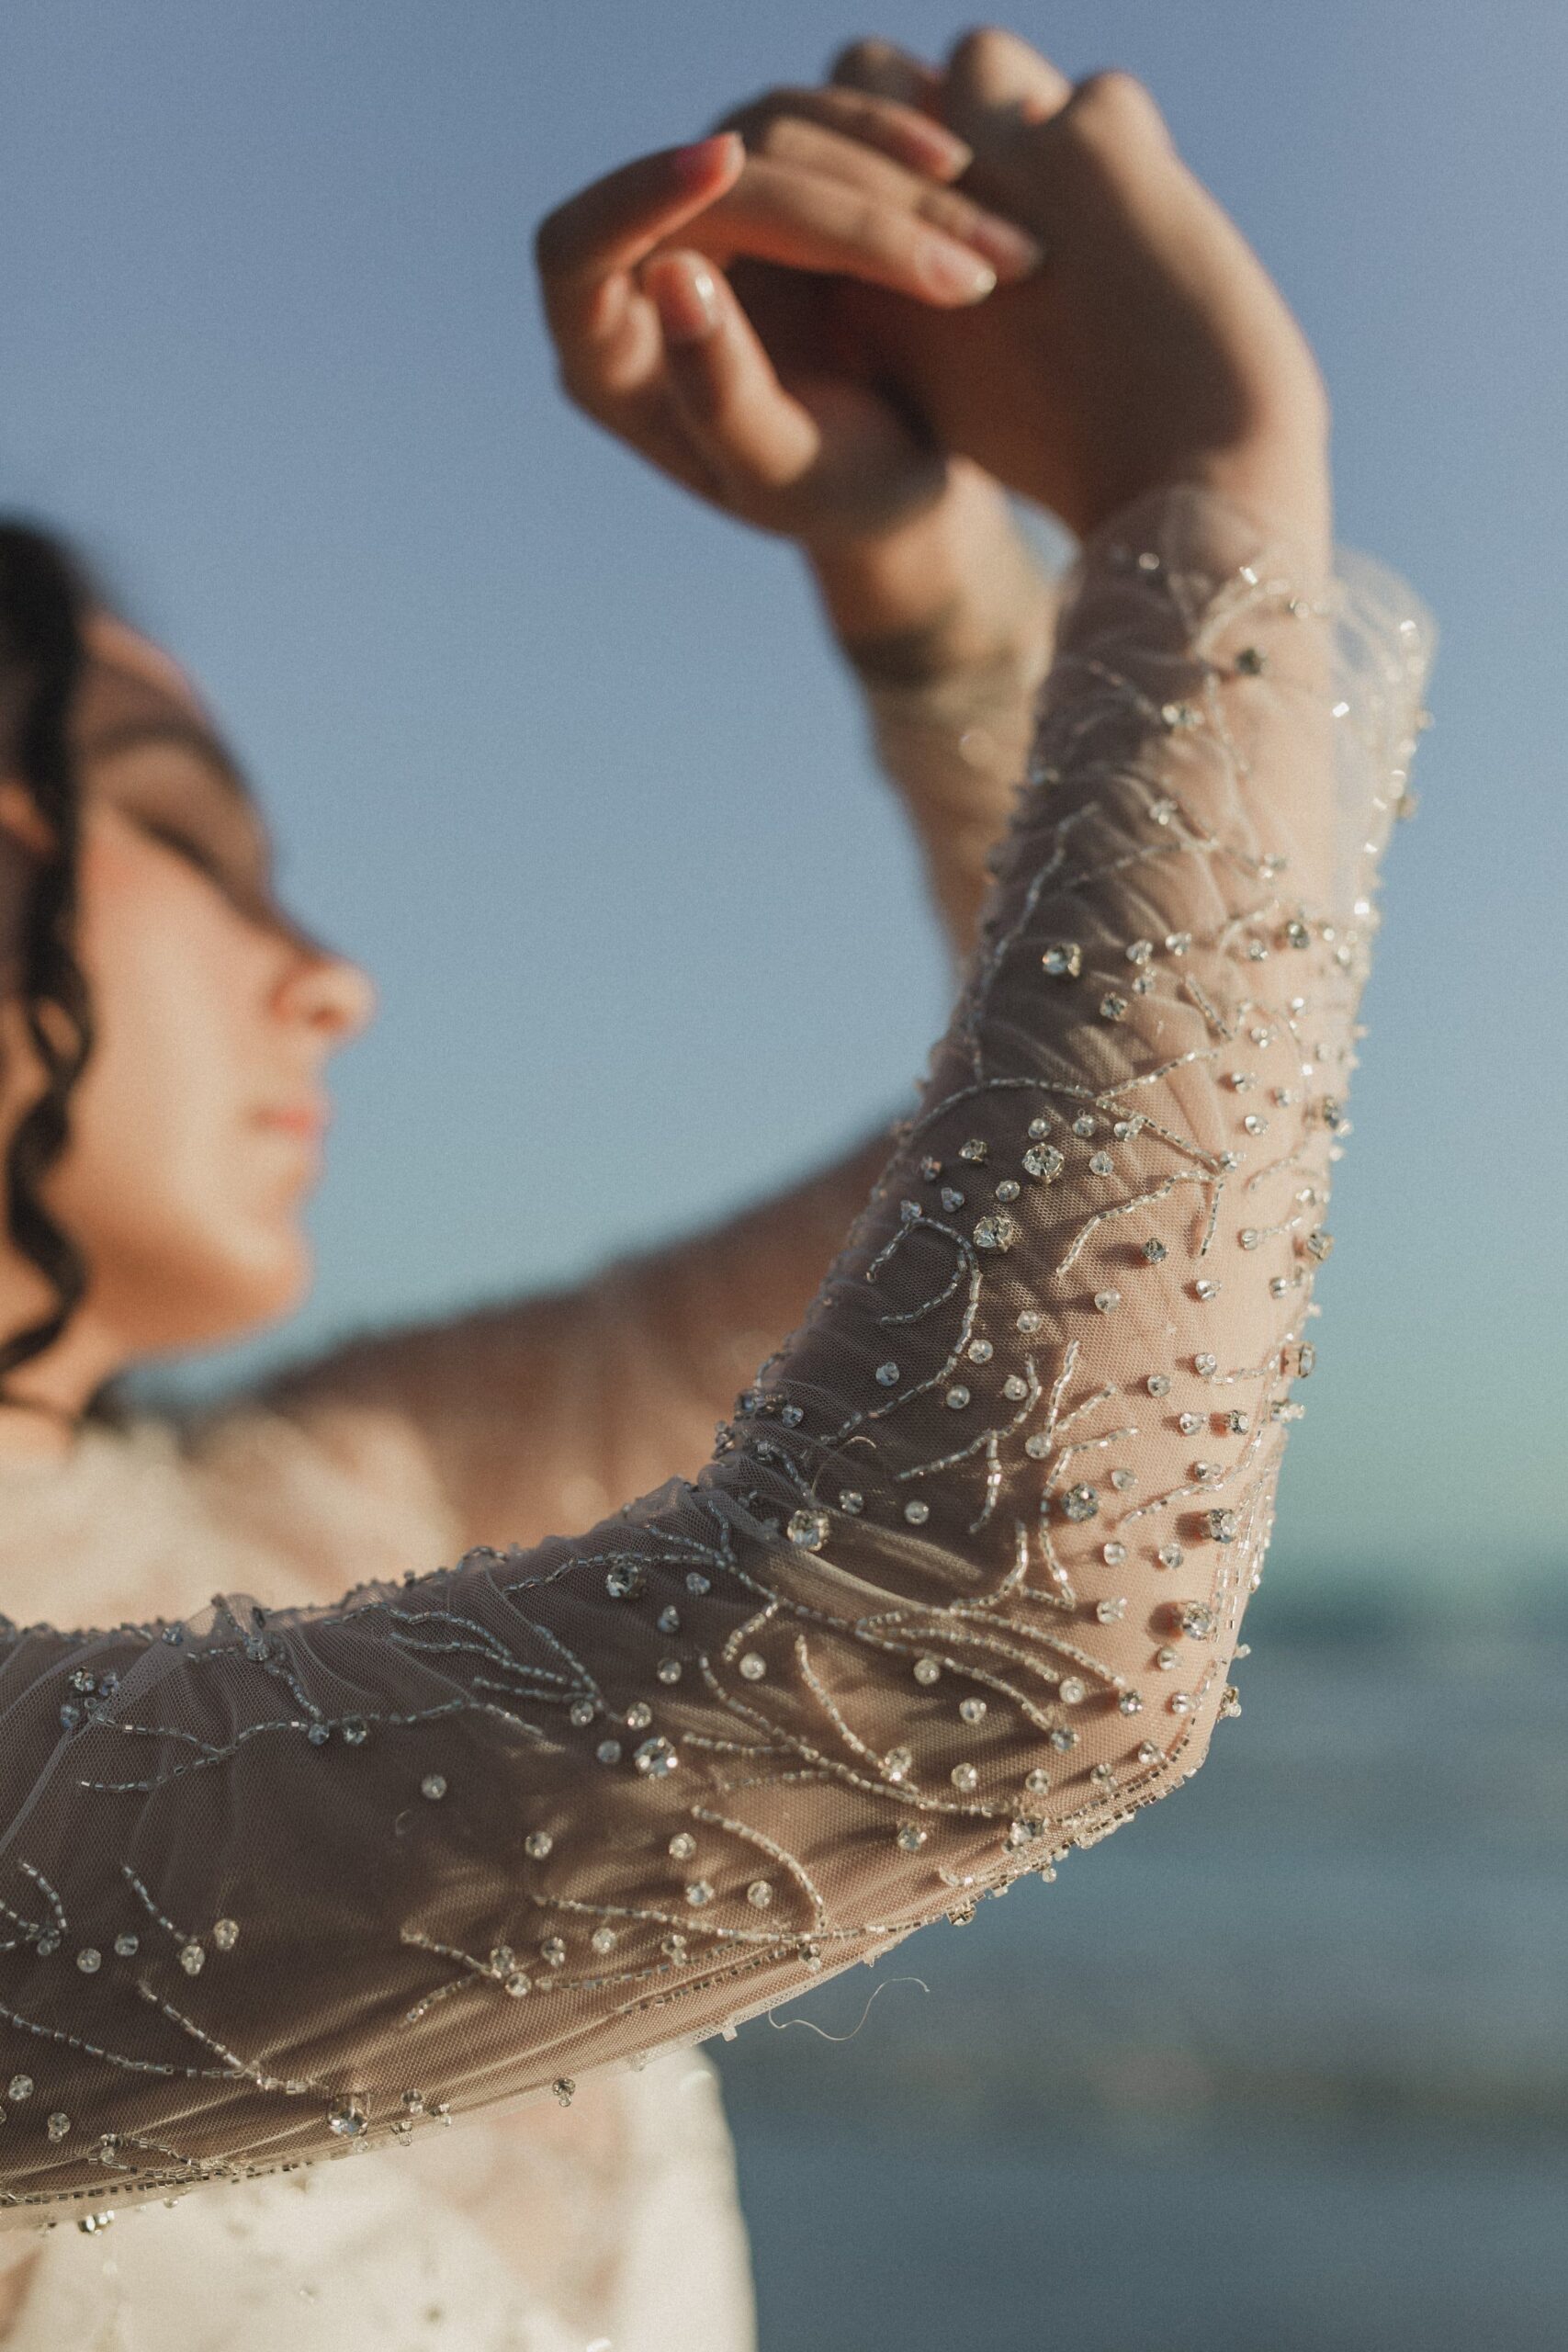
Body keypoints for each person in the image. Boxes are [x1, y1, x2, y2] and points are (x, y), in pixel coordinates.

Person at [0, 24, 1433, 2352]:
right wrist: (1202, 500)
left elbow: (1121, 1225)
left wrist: (918, 573)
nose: (332, 975)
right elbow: (991, 1624)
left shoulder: (327, 1479)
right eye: (190, 837)